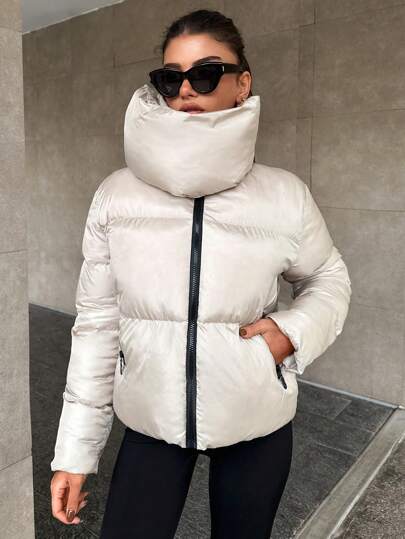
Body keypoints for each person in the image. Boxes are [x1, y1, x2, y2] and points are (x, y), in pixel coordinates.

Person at [49, 8, 352, 538]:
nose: (186, 88)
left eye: (206, 72)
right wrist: (75, 451)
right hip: (150, 415)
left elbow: (328, 277)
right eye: (171, 78)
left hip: (255, 416)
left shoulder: (284, 195)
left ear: (242, 84)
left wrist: (292, 332)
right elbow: (96, 324)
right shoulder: (116, 196)